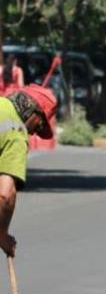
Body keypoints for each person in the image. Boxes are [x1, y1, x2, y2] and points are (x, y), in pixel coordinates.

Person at [0, 87, 58, 257]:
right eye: (39, 126)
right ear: (33, 113)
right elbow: (5, 194)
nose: (33, 134)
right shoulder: (16, 131)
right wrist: (2, 234)